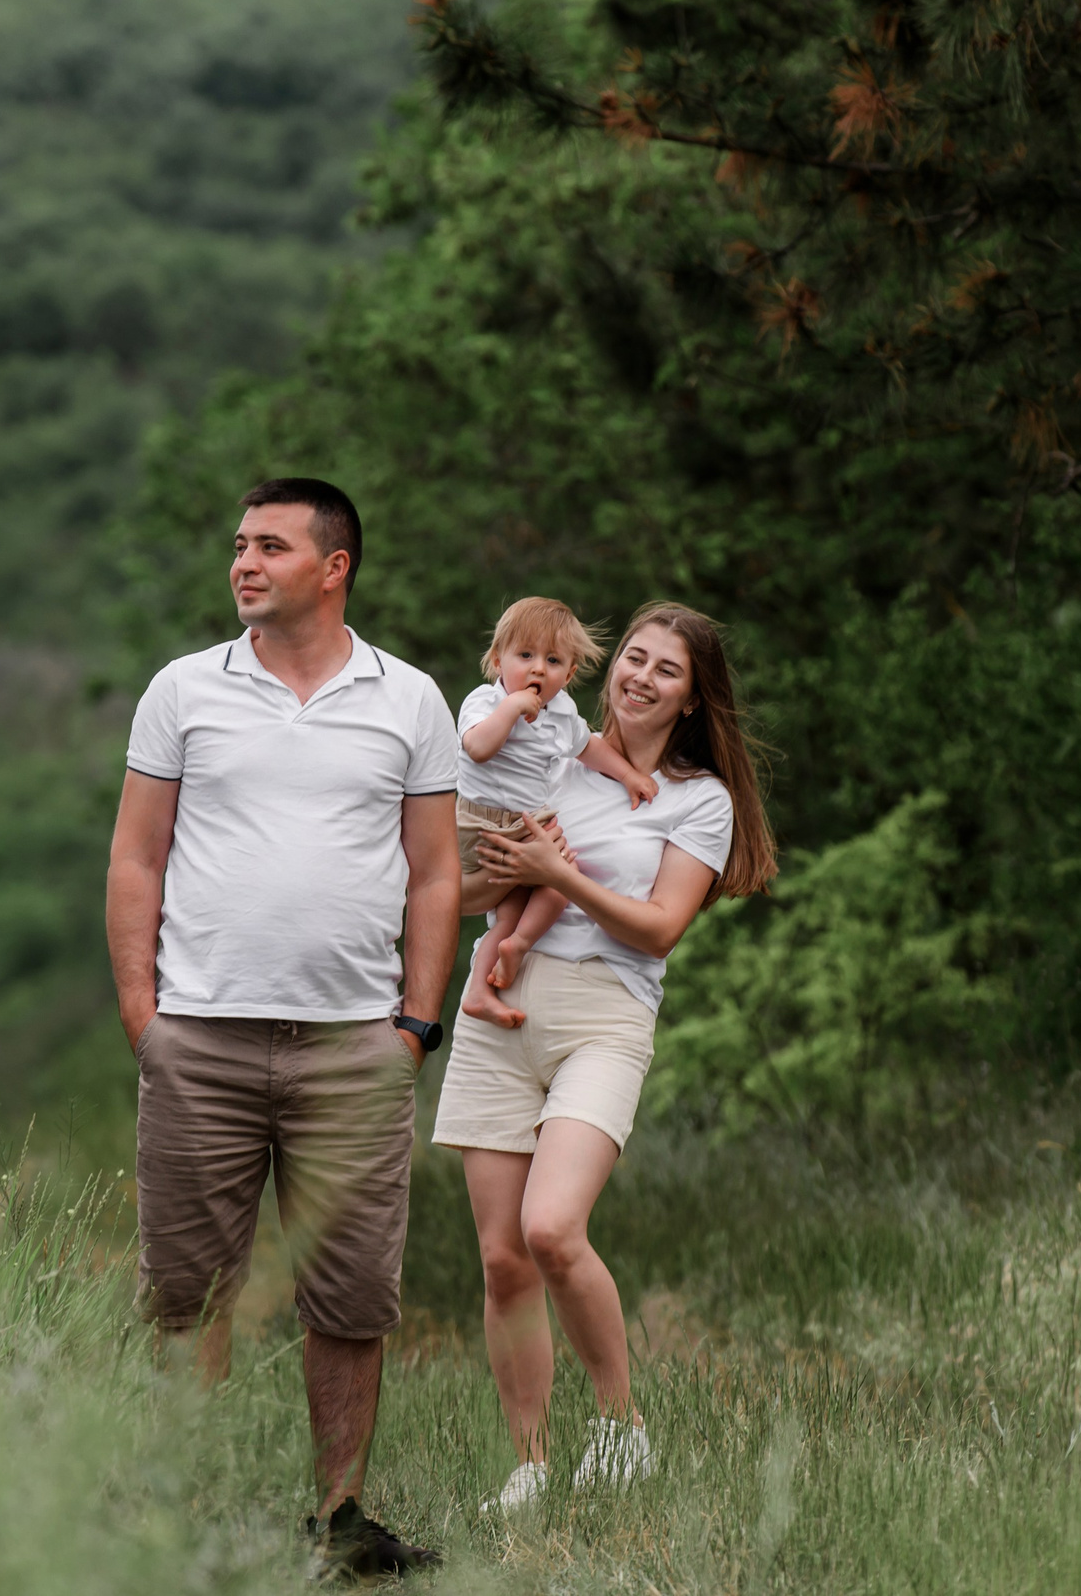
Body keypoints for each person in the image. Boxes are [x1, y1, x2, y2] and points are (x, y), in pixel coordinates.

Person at [105, 477, 461, 1579]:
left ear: (333, 564)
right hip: (199, 1037)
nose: (242, 563)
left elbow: (438, 873)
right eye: (237, 546)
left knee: (350, 1291)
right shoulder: (182, 689)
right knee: (185, 1286)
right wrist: (143, 1017)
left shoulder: (409, 698)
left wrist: (412, 1023)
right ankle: (186, 1508)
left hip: (354, 1042)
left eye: (268, 545)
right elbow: (136, 856)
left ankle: (340, 1519)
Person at [430, 601, 777, 1515]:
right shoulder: (547, 747)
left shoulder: (701, 800)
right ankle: (533, 1464)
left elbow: (661, 930)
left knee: (552, 1228)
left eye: (666, 669)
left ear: (695, 696)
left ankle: (622, 1431)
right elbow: (461, 891)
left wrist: (559, 876)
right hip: (501, 1004)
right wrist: (506, 878)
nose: (640, 677)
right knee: (503, 1259)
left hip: (605, 1015)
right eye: (632, 657)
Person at [453, 597, 658, 1032]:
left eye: (552, 661)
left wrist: (627, 775)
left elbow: (589, 747)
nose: (537, 670)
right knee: (536, 880)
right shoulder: (486, 702)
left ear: (568, 675)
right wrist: (509, 711)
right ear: (497, 660)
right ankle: (504, 953)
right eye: (524, 656)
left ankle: (501, 963)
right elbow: (478, 748)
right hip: (480, 822)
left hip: (530, 822)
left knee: (559, 883)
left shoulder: (562, 712)